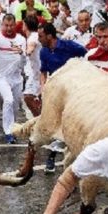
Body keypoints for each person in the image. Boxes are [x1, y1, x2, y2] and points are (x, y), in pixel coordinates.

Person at [37, 22, 86, 173]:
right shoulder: (44, 52)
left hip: (74, 89)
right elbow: (43, 71)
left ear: (50, 36)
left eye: (41, 36)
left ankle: (58, 157)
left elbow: (86, 54)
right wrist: (43, 87)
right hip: (57, 91)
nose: (39, 39)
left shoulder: (69, 46)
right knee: (58, 123)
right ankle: (53, 156)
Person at [0, 14, 26, 144]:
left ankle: (12, 127)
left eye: (11, 25)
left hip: (16, 78)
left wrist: (21, 53)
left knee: (15, 106)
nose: (9, 28)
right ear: (2, 25)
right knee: (8, 100)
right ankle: (8, 132)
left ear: (15, 25)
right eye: (6, 25)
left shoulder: (21, 39)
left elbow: (23, 63)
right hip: (1, 77)